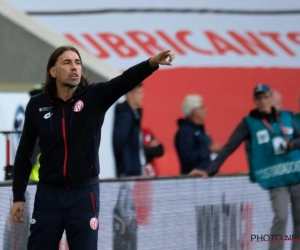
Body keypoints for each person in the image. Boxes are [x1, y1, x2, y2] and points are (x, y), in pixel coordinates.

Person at [10, 45, 175, 250]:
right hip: (48, 195)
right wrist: (18, 196)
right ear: (53, 71)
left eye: (78, 62)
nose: (74, 67)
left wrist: (150, 63)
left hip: (83, 195)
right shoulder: (37, 105)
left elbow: (124, 82)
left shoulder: (94, 96)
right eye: (67, 62)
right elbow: (24, 152)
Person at [190, 84, 300, 250]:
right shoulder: (250, 123)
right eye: (259, 98)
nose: (263, 101)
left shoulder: (286, 117)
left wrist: (292, 144)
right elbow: (229, 147)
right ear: (254, 101)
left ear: (271, 98)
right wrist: (210, 169)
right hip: (276, 178)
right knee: (282, 216)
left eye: (265, 97)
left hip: (296, 173)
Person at [113, 83, 164, 177]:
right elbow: (119, 144)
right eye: (140, 93)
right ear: (129, 94)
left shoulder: (133, 115)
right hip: (129, 173)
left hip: (134, 171)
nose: (143, 96)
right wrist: (128, 170)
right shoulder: (125, 116)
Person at [175, 94, 221, 175]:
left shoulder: (201, 131)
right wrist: (209, 149)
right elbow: (187, 156)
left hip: (206, 177)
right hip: (194, 180)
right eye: (202, 107)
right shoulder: (185, 131)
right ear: (194, 112)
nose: (206, 110)